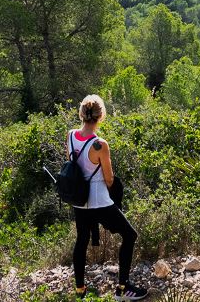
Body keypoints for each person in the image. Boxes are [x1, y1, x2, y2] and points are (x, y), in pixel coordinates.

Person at [67, 94, 148, 300]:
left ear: (81, 113)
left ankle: (80, 292)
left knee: (81, 241)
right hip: (99, 201)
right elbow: (109, 178)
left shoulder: (70, 136)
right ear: (101, 116)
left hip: (79, 201)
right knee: (130, 235)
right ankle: (122, 289)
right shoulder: (100, 144)